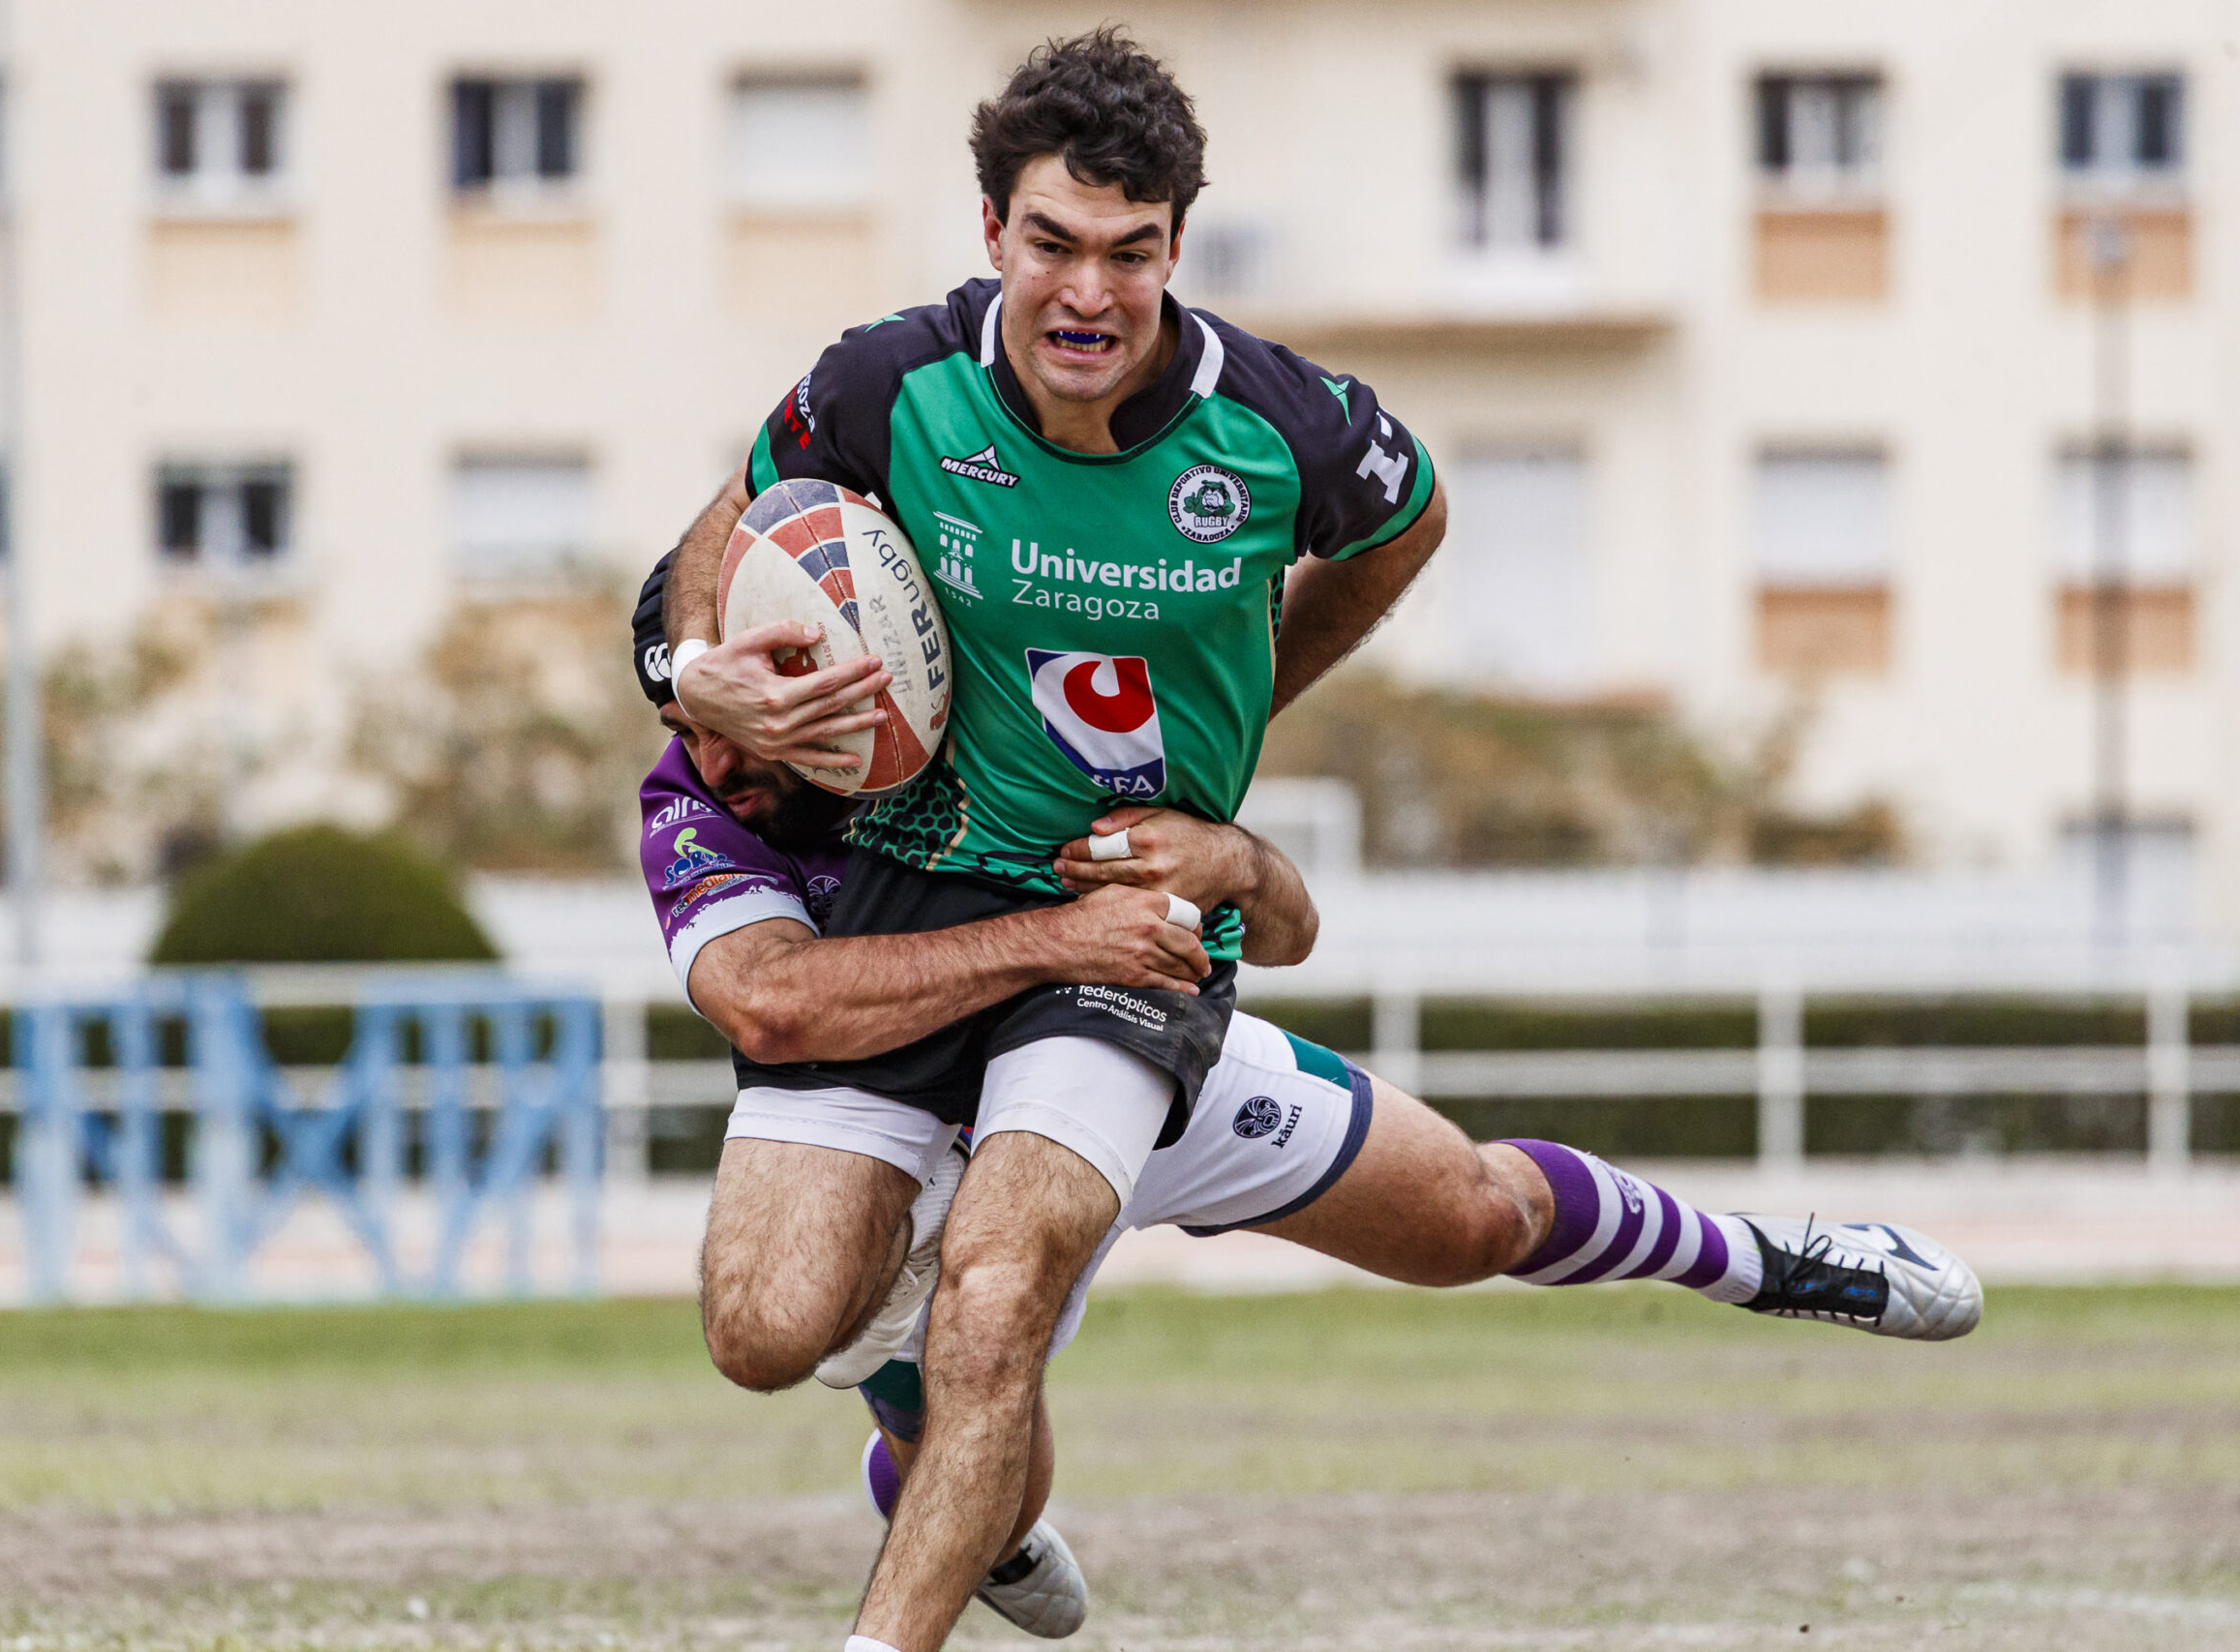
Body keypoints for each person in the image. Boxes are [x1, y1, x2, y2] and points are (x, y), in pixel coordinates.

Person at [629, 576, 1984, 1645]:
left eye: (745, 726)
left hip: (1133, 1059)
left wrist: (1235, 858)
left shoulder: (1005, 717)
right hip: (902, 1157)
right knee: (980, 1457)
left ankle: (1772, 1260)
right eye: (695, 724)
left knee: (1476, 1215)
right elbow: (774, 1002)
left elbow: (1287, 927)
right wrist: (1057, 943)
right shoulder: (694, 804)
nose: (718, 763)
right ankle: (948, 1496)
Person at [657, 33, 1450, 1651]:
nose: (1089, 292)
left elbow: (1408, 517)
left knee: (1000, 1299)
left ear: (1177, 243)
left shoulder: (1279, 422)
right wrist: (697, 665)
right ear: (993, 230)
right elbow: (724, 528)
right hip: (916, 885)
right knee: (761, 1328)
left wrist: (1253, 695)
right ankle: (927, 1426)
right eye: (1053, 245)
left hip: (1127, 928)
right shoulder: (887, 382)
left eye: (1131, 252)